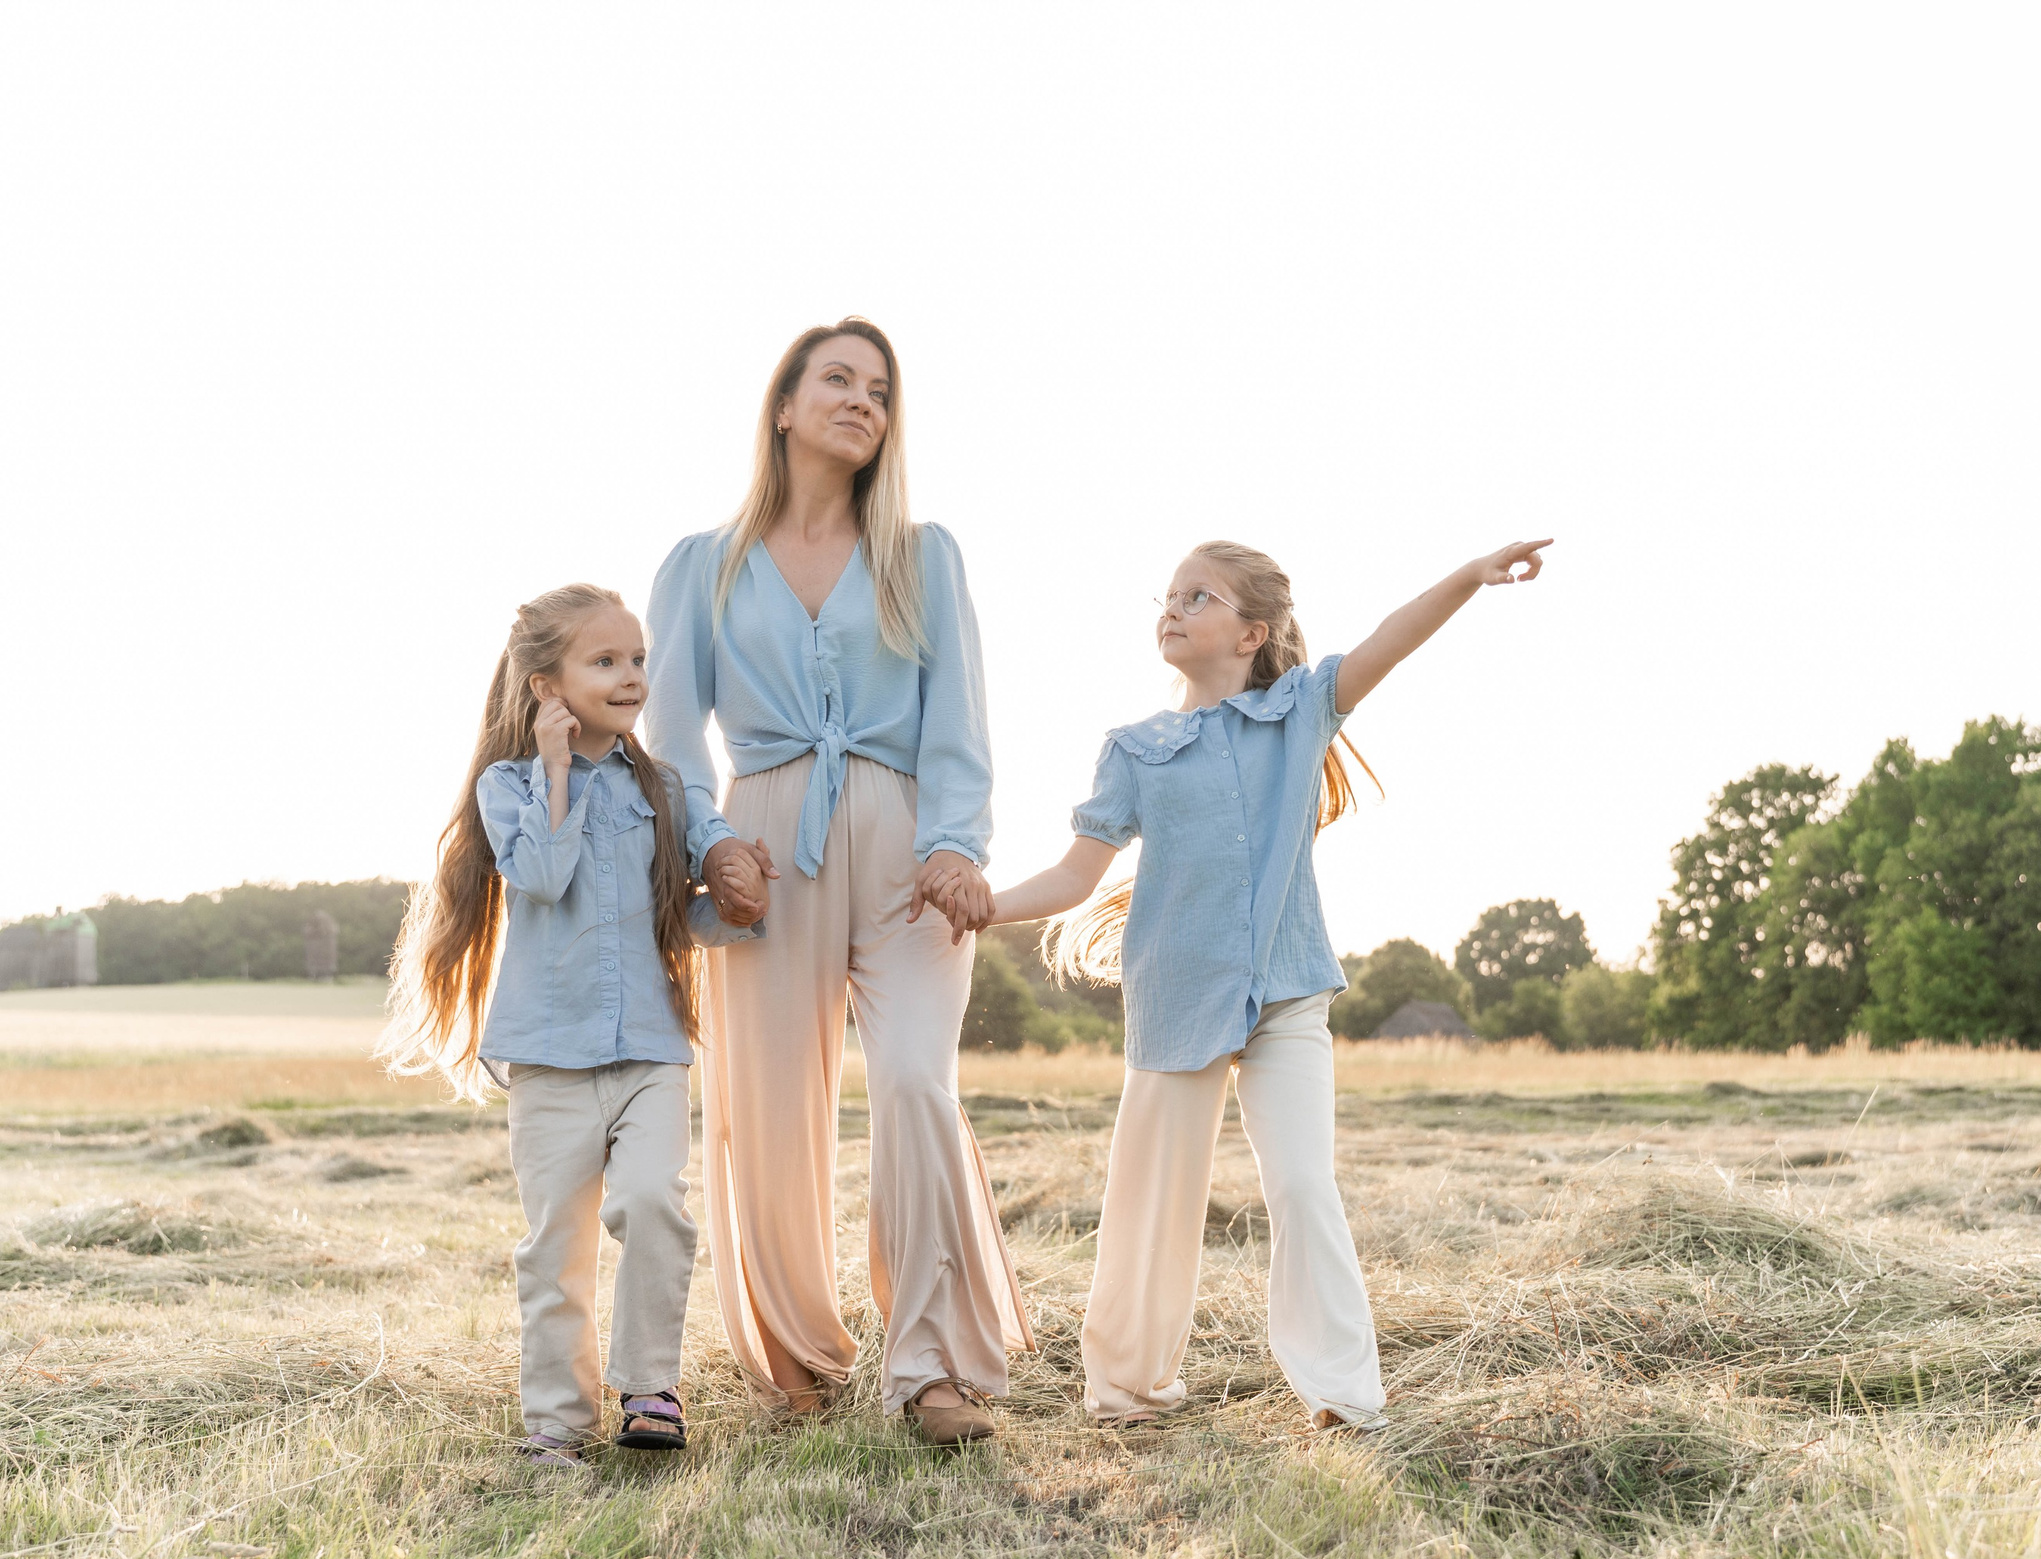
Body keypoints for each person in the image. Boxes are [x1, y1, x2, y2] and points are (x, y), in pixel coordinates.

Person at [966, 536, 1549, 1427]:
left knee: (1305, 1184)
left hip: (1288, 991)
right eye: (1168, 596)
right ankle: (1129, 1386)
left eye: (1198, 596)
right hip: (1176, 997)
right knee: (1153, 1199)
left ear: (1252, 634)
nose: (1173, 608)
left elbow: (1390, 641)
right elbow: (1075, 876)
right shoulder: (1134, 750)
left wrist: (1470, 576)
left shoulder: (1301, 711)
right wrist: (986, 906)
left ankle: (1343, 1393)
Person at [645, 316, 1029, 1445]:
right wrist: (710, 843)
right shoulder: (700, 566)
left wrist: (957, 842)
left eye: (881, 390)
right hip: (762, 838)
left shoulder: (925, 555)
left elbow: (959, 718)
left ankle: (932, 1366)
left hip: (910, 847)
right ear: (783, 406)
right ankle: (796, 1355)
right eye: (839, 380)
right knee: (768, 1104)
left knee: (915, 1082)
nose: (863, 400)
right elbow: (672, 731)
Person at [380, 583, 761, 1463]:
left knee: (652, 1201)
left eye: (638, 659)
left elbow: (680, 918)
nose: (632, 676)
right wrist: (555, 770)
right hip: (549, 1059)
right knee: (556, 1246)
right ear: (547, 687)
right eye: (606, 661)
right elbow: (544, 877)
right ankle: (557, 1421)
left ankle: (650, 1388)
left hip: (649, 1051)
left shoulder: (664, 790)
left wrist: (740, 906)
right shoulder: (508, 786)